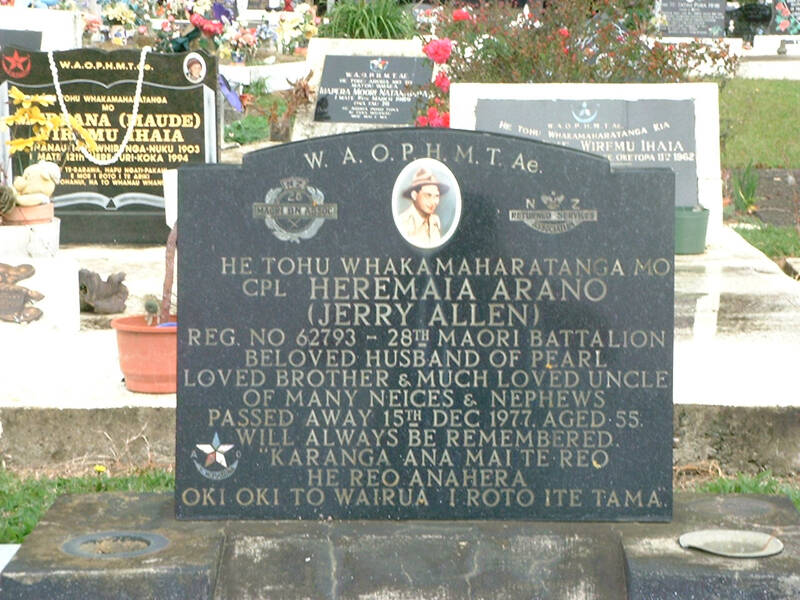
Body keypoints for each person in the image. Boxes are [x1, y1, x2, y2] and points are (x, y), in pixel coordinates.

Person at [398, 167, 449, 246]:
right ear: (414, 195)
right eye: (428, 195)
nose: (434, 202)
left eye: (436, 196)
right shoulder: (402, 222)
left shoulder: (435, 220)